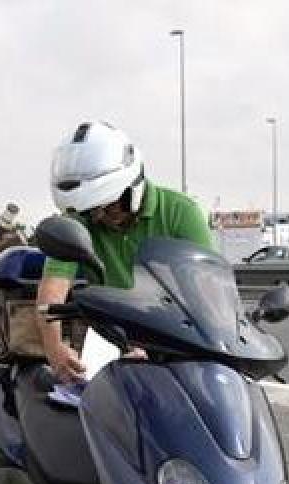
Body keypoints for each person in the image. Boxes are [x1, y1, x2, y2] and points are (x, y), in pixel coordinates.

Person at [38, 121, 215, 382]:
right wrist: (55, 350)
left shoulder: (181, 212)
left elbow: (206, 288)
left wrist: (157, 345)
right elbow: (52, 290)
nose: (98, 217)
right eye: (91, 211)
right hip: (109, 339)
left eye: (106, 206)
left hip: (176, 337)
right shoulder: (80, 222)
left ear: (133, 187)